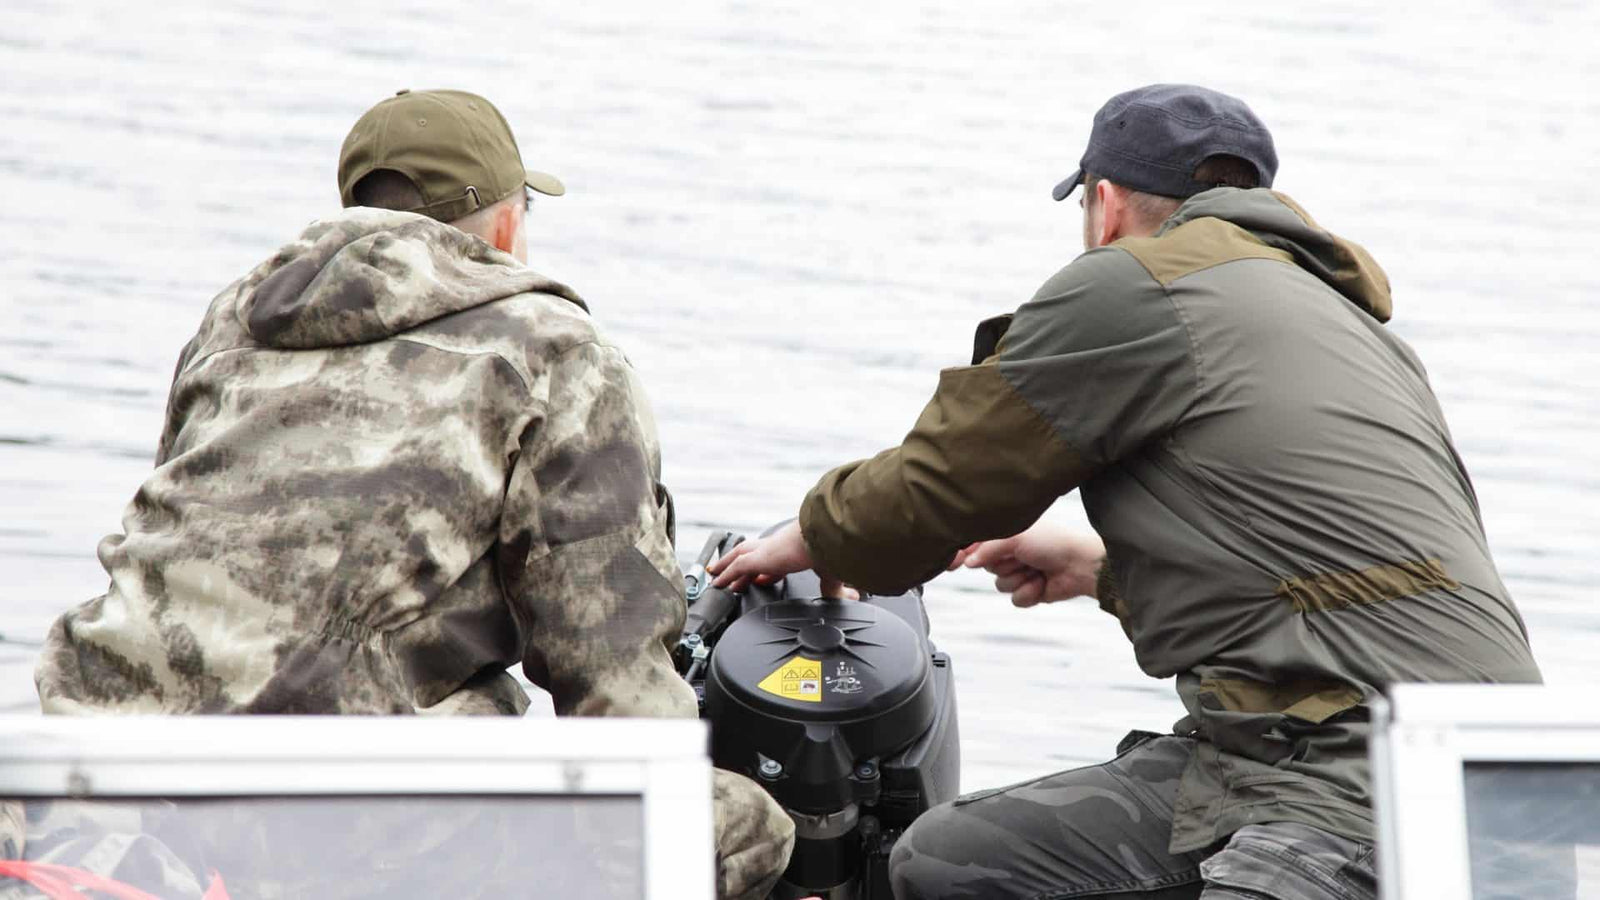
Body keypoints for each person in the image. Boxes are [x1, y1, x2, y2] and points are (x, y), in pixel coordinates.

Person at [709, 84, 1543, 899]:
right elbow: (1342, 572)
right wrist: (1105, 568)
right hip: (1517, 787)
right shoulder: (1350, 327)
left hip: (1343, 779)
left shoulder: (1139, 283)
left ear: (1103, 204)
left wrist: (816, 535)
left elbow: (937, 490)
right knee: (950, 861)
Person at [22, 88, 793, 899]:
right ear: (503, 224)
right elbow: (612, 682)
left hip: (102, 774)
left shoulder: (234, 325)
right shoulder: (555, 355)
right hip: (340, 821)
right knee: (748, 825)